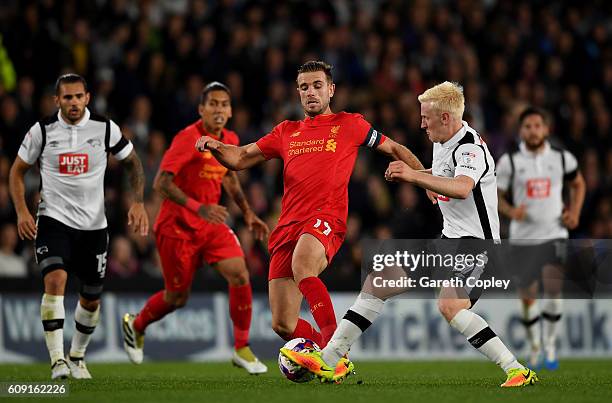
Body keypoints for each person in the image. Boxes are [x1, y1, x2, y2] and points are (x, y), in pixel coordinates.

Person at [282, 81, 538, 387]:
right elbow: (446, 176)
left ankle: (515, 368)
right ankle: (330, 359)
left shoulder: (469, 147)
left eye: (425, 117)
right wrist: (419, 176)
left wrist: (413, 175)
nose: (421, 123)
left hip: (478, 248)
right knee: (379, 282)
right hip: (448, 243)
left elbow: (462, 187)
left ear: (445, 118)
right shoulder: (443, 141)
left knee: (450, 307)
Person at [195, 61, 426, 378]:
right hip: (287, 227)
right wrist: (215, 145)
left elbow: (395, 148)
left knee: (303, 265)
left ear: (331, 90)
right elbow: (240, 157)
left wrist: (423, 179)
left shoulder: (350, 124)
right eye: (304, 87)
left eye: (317, 85)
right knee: (283, 323)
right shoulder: (286, 131)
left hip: (326, 217)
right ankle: (324, 352)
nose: (310, 92)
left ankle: (335, 352)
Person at [121, 82, 269, 374]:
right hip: (177, 227)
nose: (219, 109)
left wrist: (248, 213)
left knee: (240, 274)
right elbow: (160, 184)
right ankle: (136, 325)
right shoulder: (187, 138)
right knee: (177, 297)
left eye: (224, 104)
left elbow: (229, 178)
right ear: (201, 109)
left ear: (230, 110)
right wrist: (198, 207)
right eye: (212, 103)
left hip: (210, 226)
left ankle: (241, 348)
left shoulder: (230, 138)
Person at [8, 73, 148, 380]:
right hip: (53, 221)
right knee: (55, 280)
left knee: (91, 297)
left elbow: (133, 162)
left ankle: (77, 356)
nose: (73, 102)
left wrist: (137, 201)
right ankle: (57, 360)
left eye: (78, 96)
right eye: (67, 97)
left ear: (87, 97)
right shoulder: (42, 131)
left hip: (94, 227)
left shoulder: (105, 128)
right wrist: (21, 211)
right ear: (57, 100)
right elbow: (17, 171)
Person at [496, 107, 585, 370]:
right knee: (527, 296)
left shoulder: (561, 158)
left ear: (546, 129)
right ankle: (534, 346)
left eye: (537, 125)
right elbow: (496, 196)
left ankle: (550, 346)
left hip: (555, 232)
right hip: (523, 238)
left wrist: (575, 212)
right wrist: (511, 210)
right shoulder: (510, 161)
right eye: (527, 126)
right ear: (521, 131)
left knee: (554, 288)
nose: (533, 130)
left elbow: (578, 184)